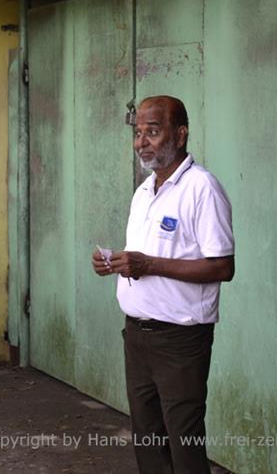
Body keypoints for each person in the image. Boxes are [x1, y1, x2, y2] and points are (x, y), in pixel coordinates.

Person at [92, 95, 235, 474]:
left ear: (181, 133)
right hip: (137, 335)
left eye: (153, 132)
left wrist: (148, 264)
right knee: (148, 439)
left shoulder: (202, 188)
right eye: (138, 133)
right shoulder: (144, 191)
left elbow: (222, 266)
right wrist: (120, 262)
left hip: (179, 341)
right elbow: (150, 255)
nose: (142, 142)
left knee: (184, 442)